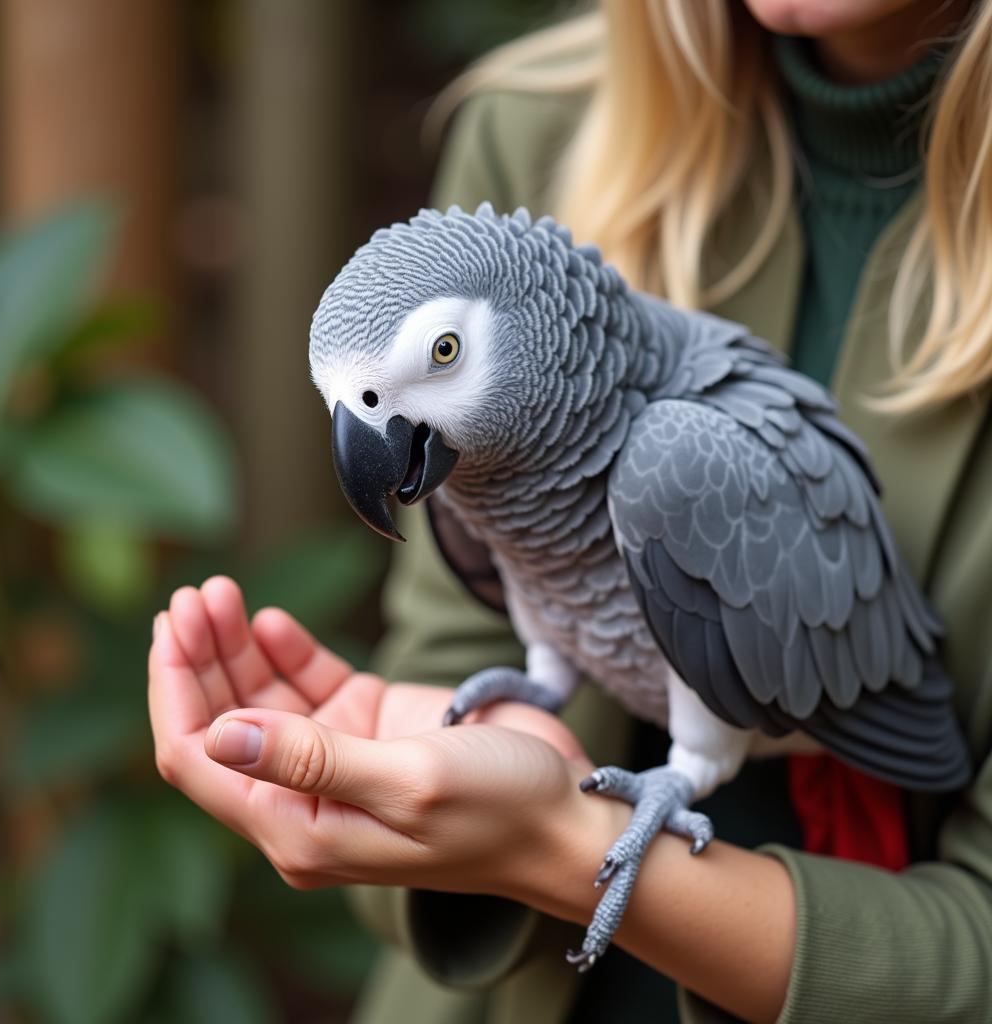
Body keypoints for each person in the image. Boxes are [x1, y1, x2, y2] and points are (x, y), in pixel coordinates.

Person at [147, 1, 992, 1020]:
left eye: (444, 356)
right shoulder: (530, 128)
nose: (378, 417)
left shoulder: (679, 454)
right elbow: (450, 648)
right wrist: (436, 768)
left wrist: (553, 842)